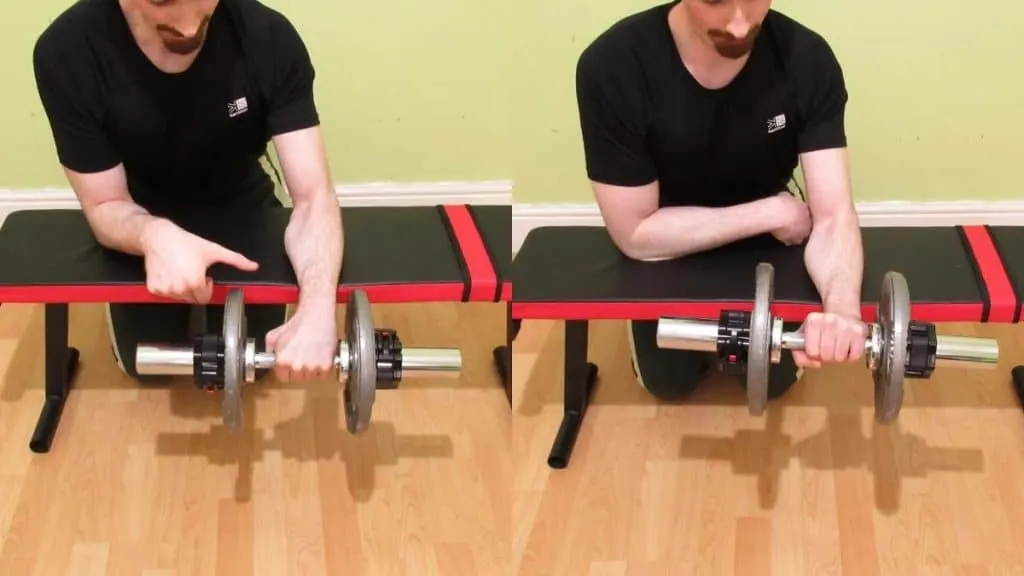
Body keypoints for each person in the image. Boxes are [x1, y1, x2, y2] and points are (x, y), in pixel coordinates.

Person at [32, 0, 343, 384]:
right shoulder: (68, 50)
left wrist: (317, 306)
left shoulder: (268, 36)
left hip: (241, 204)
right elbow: (105, 203)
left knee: (255, 367)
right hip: (138, 209)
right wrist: (154, 236)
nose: (189, 26)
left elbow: (314, 198)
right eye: (163, 2)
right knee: (145, 369)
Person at [574, 0, 866, 402]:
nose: (740, 23)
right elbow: (635, 234)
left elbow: (833, 215)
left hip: (770, 248)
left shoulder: (806, 58)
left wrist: (842, 309)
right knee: (666, 385)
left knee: (774, 384)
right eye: (715, 1)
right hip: (668, 248)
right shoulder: (613, 66)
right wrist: (771, 211)